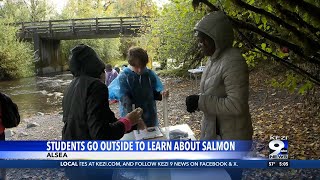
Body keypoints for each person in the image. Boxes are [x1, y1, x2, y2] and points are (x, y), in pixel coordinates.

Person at [185, 11, 253, 180]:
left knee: (229, 176)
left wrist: (200, 102)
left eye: (204, 39)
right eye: (199, 39)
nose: (200, 44)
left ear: (218, 38)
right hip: (216, 135)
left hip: (232, 137)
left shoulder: (233, 61)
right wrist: (198, 100)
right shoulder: (214, 59)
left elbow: (236, 105)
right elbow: (212, 93)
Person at [62, 44, 144, 179]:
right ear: (98, 68)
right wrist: (128, 121)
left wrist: (132, 123)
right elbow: (101, 135)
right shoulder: (96, 86)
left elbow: (107, 121)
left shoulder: (70, 87)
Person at [117, 47, 169, 128]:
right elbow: (125, 98)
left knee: (151, 135)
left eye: (142, 66)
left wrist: (162, 94)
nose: (140, 70)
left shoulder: (149, 74)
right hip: (131, 115)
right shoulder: (124, 76)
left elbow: (153, 93)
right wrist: (137, 119)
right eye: (136, 67)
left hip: (150, 114)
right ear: (131, 64)